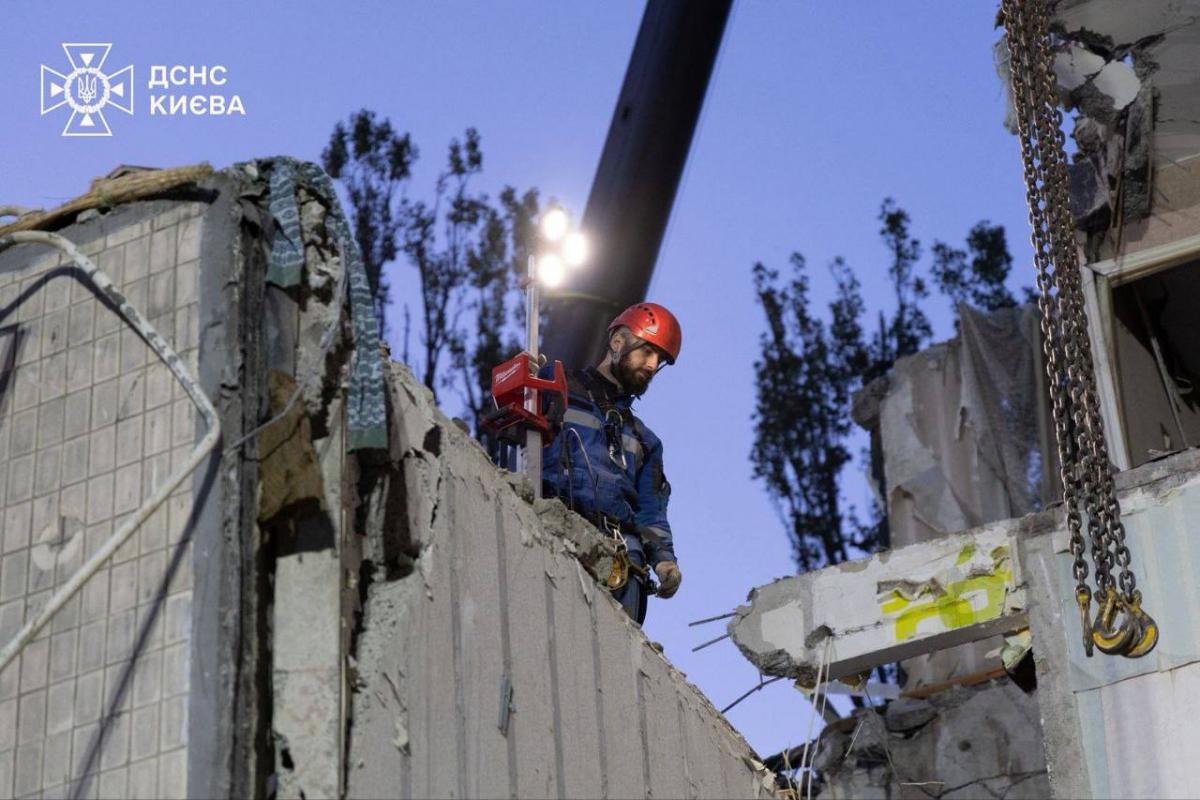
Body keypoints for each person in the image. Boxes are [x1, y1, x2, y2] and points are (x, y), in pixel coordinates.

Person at [542, 302, 683, 624]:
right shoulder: (559, 389)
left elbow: (651, 511)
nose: (652, 364)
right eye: (647, 351)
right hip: (558, 532)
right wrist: (530, 382)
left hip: (621, 561)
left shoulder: (646, 442)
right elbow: (519, 439)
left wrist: (664, 560)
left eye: (659, 359)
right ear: (618, 342)